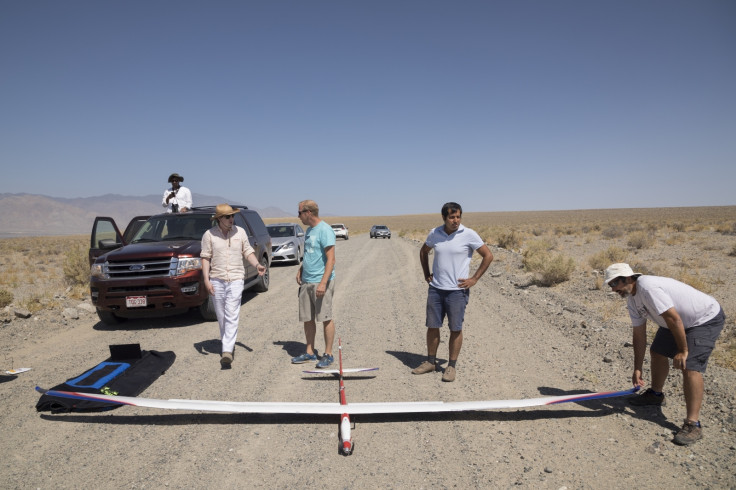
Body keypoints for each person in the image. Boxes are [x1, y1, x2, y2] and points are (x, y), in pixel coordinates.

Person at [605, 263, 725, 445]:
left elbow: (673, 318)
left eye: (615, 284)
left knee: (690, 365)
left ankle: (693, 424)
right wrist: (637, 368)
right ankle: (656, 394)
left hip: (703, 319)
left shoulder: (648, 287)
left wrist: (683, 351)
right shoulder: (632, 300)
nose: (613, 289)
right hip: (676, 321)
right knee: (657, 351)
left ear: (628, 278)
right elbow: (639, 335)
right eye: (610, 285)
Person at [412, 202, 494, 382]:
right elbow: (424, 251)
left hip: (457, 292)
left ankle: (451, 366)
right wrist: (427, 274)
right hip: (436, 289)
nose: (455, 220)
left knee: (455, 328)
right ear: (444, 218)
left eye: (458, 217)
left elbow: (488, 255)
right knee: (432, 326)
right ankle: (431, 361)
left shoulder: (469, 234)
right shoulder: (435, 233)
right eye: (451, 217)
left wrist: (474, 279)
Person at [201, 204, 265, 368]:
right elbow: (205, 258)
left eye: (232, 216)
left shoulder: (240, 232)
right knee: (221, 315)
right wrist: (207, 280)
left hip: (236, 278)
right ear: (219, 219)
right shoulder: (209, 235)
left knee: (232, 313)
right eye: (228, 217)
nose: (231, 219)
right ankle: (227, 343)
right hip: (217, 279)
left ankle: (227, 350)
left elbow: (248, 251)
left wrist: (257, 264)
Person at [291, 200, 337, 369]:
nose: (298, 216)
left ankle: (328, 354)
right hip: (307, 281)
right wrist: (301, 269)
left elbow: (331, 259)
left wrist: (323, 283)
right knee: (308, 318)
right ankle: (309, 352)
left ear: (308, 213)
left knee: (325, 317)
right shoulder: (309, 230)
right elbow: (309, 254)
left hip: (320, 281)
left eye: (300, 212)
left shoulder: (325, 230)